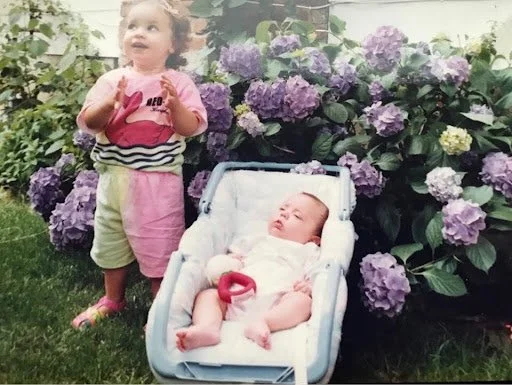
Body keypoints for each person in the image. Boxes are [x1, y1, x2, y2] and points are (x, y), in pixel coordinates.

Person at [71, 0, 207, 329]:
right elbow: (89, 123)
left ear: (172, 43)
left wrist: (176, 107)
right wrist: (108, 104)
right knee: (110, 240)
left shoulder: (178, 83)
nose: (139, 33)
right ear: (123, 36)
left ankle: (160, 308)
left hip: (158, 183)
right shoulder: (111, 80)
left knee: (160, 243)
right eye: (133, 26)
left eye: (151, 27)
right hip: (114, 180)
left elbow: (192, 127)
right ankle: (112, 299)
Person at [175, 192, 329, 350]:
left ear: (313, 239)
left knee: (303, 302)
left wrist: (308, 287)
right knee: (208, 296)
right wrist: (234, 260)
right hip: (237, 296)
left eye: (297, 216)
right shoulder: (257, 240)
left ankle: (264, 322)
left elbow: (317, 274)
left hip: (278, 302)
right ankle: (207, 328)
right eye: (283, 208)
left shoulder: (308, 250)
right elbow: (233, 257)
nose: (284, 214)